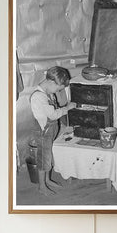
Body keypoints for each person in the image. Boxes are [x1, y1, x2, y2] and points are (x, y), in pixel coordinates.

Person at [30, 66, 76, 196]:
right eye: (59, 88)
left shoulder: (47, 91)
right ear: (51, 82)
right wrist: (67, 108)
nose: (58, 91)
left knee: (48, 157)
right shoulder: (39, 97)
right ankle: (42, 186)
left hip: (50, 130)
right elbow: (53, 115)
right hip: (43, 132)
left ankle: (48, 180)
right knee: (44, 159)